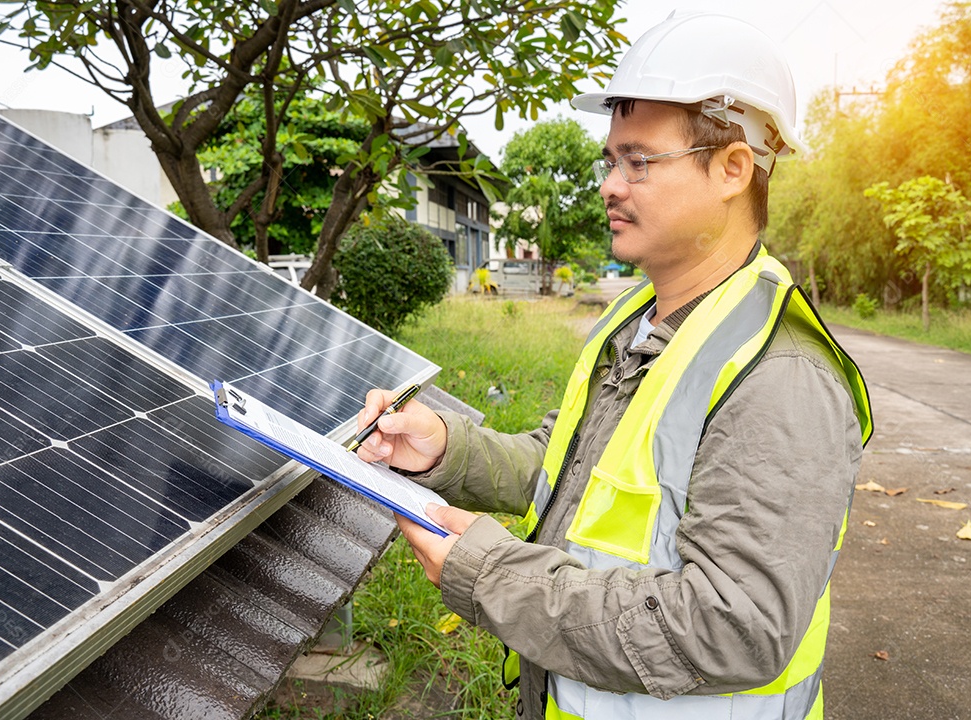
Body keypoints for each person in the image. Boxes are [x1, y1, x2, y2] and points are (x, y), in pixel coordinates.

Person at [355, 11, 872, 720]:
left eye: (639, 161)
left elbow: (735, 626)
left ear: (731, 169)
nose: (609, 185)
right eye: (611, 161)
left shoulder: (781, 376)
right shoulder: (638, 321)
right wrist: (447, 447)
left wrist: (492, 573)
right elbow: (567, 469)